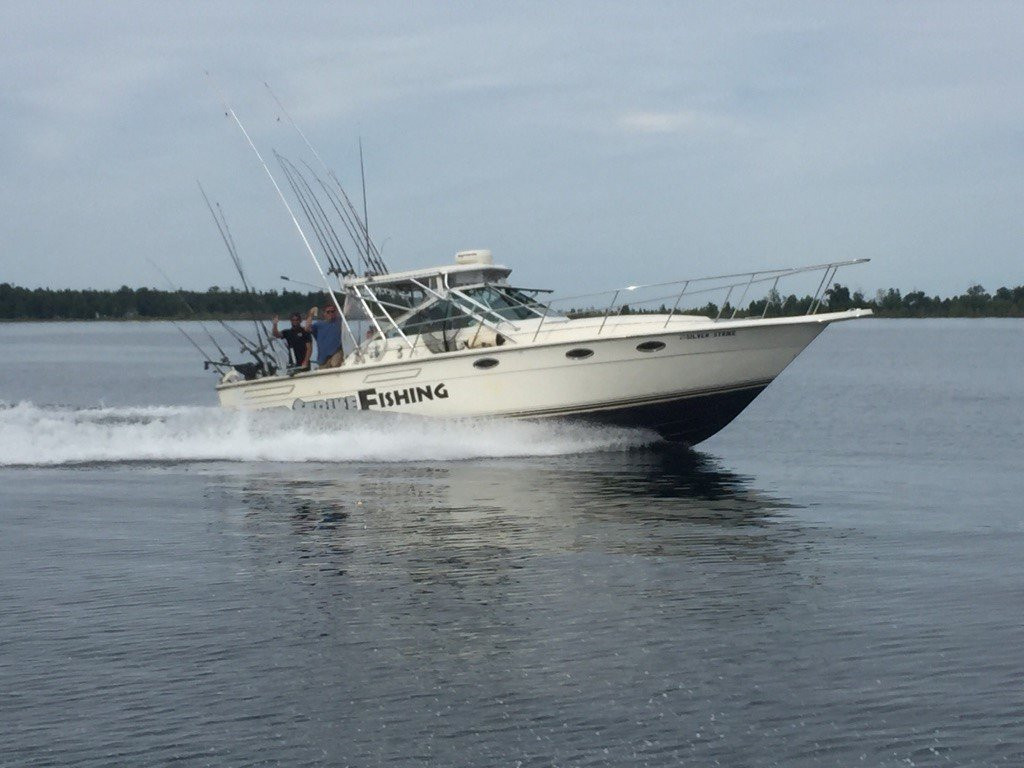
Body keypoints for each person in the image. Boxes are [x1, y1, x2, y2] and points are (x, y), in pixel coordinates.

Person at [306, 303, 344, 368]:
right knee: (323, 371)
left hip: (336, 352)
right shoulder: (318, 325)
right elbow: (307, 328)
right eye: (328, 312)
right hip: (323, 357)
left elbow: (347, 311)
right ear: (324, 313)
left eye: (332, 311)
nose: (331, 313)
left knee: (335, 364)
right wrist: (311, 315)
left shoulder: (339, 321)